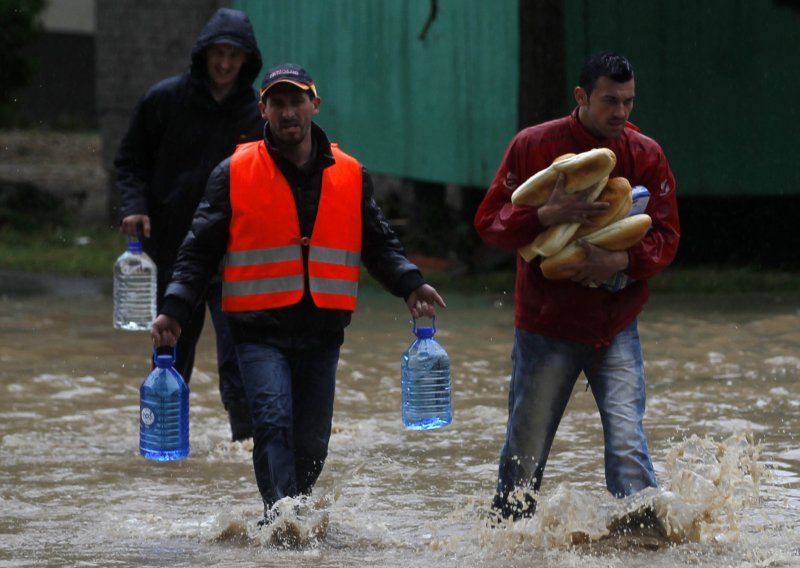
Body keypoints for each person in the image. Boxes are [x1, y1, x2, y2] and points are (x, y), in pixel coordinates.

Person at [150, 63, 446, 524]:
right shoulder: (233, 173)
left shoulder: (350, 174)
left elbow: (379, 243)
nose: (289, 112)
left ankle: (293, 517)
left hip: (321, 331)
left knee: (312, 443)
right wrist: (174, 309)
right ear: (263, 109)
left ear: (315, 105)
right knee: (272, 423)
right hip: (256, 331)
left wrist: (410, 283)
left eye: (297, 101)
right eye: (278, 103)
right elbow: (198, 251)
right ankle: (280, 521)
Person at [473, 52, 680, 522]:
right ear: (582, 97)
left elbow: (667, 237)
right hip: (548, 325)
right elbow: (488, 222)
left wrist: (622, 259)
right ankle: (508, 540)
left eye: (628, 102)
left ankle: (643, 538)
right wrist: (547, 214)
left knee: (629, 443)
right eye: (610, 101)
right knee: (524, 451)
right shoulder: (534, 146)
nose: (621, 113)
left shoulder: (646, 153)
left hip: (617, 323)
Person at [115, 8, 263, 441]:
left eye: (234, 57)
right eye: (218, 53)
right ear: (204, 54)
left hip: (235, 256)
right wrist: (135, 206)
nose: (224, 64)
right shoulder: (164, 99)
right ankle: (162, 443)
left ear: (245, 61)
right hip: (173, 249)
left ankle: (247, 448)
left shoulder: (257, 113)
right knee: (170, 349)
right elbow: (130, 161)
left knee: (238, 357)